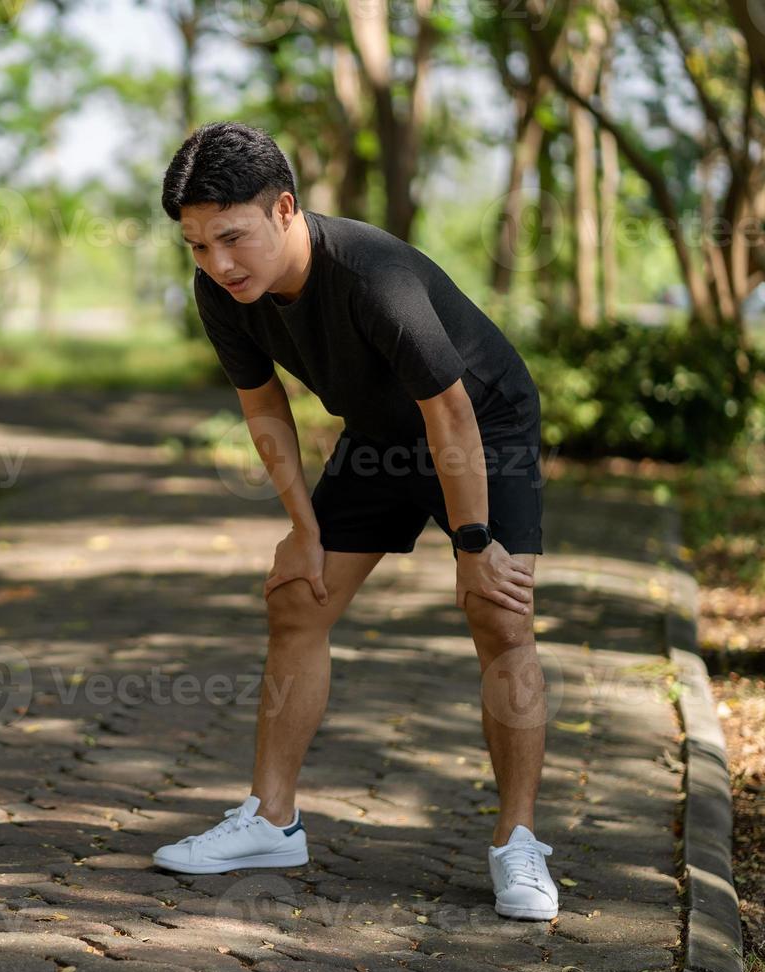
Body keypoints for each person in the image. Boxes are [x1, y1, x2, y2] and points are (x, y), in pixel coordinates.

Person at [151, 121, 558, 921]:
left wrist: (473, 545)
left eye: (231, 238)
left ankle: (519, 844)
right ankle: (273, 821)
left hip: (484, 428)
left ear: (286, 210)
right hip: (381, 439)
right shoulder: (222, 293)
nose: (218, 264)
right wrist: (302, 525)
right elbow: (263, 406)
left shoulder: (373, 273)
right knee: (296, 597)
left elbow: (449, 412)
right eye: (197, 246)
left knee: (498, 614)